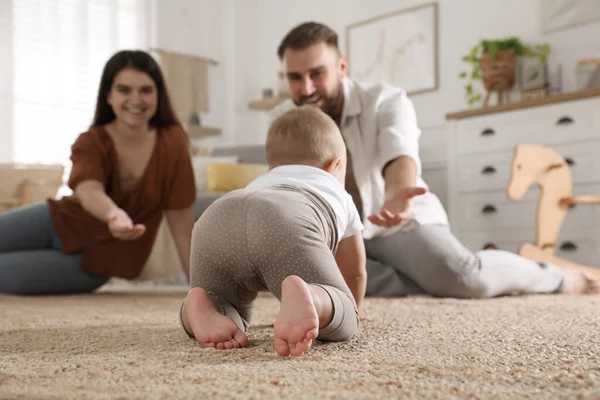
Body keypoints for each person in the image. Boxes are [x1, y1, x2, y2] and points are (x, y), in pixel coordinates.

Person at [270, 21, 600, 298]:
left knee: (463, 278)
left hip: (394, 222)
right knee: (288, 278)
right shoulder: (283, 118)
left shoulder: (385, 100)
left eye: (317, 74)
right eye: (295, 78)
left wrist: (398, 193)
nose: (307, 88)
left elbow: (400, 153)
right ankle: (423, 283)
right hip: (336, 232)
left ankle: (557, 277)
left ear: (342, 67)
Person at [0, 50, 196, 295]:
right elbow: (87, 188)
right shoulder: (91, 140)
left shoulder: (173, 142)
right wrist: (113, 214)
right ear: (109, 96)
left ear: (158, 95)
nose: (135, 100)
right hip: (53, 221)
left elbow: (181, 222)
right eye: (124, 90)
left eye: (146, 90)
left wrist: (201, 291)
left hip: (97, 262)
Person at [180, 105, 366, 357]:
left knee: (224, 301)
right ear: (335, 166)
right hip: (283, 222)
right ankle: (312, 296)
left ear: (270, 166)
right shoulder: (339, 194)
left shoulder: (261, 183)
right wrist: (349, 306)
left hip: (217, 216)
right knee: (344, 316)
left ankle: (204, 305)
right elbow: (353, 273)